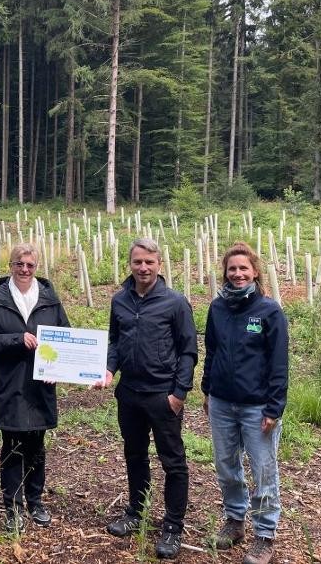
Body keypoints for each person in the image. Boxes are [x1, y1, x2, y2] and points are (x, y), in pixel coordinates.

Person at [98, 238, 197, 560]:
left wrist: (179, 394)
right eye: (138, 262)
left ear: (159, 264)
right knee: (135, 455)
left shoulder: (175, 303)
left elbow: (188, 351)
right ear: (131, 263)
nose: (143, 268)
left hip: (162, 396)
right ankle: (136, 512)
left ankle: (173, 526)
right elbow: (114, 340)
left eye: (149, 262)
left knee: (173, 461)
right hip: (129, 394)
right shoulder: (119, 301)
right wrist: (110, 369)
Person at [201, 242, 289, 564]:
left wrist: (273, 408)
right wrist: (207, 389)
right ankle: (235, 521)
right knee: (226, 467)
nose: (237, 274)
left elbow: (279, 365)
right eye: (232, 269)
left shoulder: (269, 311)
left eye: (243, 269)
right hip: (223, 403)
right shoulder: (217, 308)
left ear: (254, 272)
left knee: (263, 471)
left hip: (257, 408)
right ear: (225, 273)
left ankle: (264, 535)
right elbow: (211, 352)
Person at [0, 243, 70, 534]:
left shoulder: (50, 300)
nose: (24, 269)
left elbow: (64, 338)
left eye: (30, 265)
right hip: (10, 385)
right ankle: (13, 507)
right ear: (10, 267)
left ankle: (36, 500)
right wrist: (17, 339)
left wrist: (59, 367)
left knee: (37, 445)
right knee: (13, 446)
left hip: (40, 385)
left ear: (36, 267)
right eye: (19, 264)